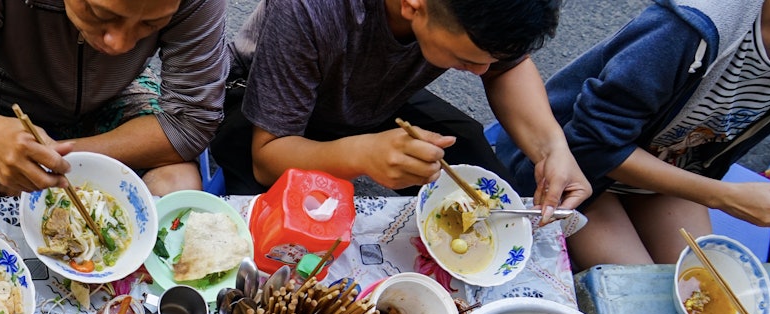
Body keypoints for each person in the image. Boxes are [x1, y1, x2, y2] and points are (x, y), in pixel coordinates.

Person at [498, 0, 770, 268]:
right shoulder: (691, 26)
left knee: (711, 292)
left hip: (671, 176)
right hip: (577, 172)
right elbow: (593, 142)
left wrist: (718, 194)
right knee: (640, 298)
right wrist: (725, 197)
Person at [210, 0, 589, 221]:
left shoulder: (479, 16)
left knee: (469, 147)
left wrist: (552, 148)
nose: (483, 73)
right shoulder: (310, 9)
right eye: (467, 60)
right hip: (266, 108)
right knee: (268, 230)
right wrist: (362, 154)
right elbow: (268, 155)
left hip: (374, 98)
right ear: (413, 5)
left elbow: (507, 64)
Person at [0, 0, 228, 197]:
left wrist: (56, 158)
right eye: (101, 13)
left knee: (178, 188)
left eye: (151, 24)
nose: (119, 44)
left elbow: (192, 119)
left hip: (117, 93)